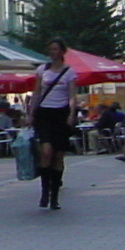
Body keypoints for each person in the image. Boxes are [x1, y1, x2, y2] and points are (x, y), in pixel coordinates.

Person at [31, 41, 78, 212]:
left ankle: (54, 195)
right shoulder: (42, 70)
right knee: (46, 152)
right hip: (44, 114)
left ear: (62, 52)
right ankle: (44, 191)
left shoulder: (69, 72)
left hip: (61, 114)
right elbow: (36, 92)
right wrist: (30, 113)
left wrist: (72, 113)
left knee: (58, 156)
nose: (52, 52)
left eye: (55, 49)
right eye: (50, 49)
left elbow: (72, 95)